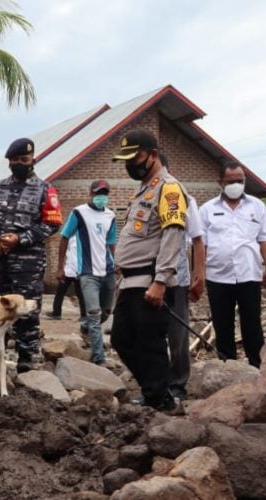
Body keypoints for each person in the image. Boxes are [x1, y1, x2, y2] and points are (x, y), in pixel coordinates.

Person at [110, 129, 188, 411]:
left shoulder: (169, 188)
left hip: (150, 280)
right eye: (126, 159)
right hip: (130, 281)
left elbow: (173, 234)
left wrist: (161, 280)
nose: (131, 164)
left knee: (150, 343)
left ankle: (160, 401)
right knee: (121, 338)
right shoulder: (144, 189)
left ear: (153, 154)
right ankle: (156, 391)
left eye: (136, 157)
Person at [0, 138, 62, 372]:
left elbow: (52, 223)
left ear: (33, 160)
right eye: (15, 161)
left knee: (26, 310)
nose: (20, 164)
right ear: (9, 162)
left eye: (24, 160)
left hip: (28, 263)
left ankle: (25, 357)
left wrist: (20, 238)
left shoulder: (45, 189)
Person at [200, 163, 266, 368]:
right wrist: (198, 275)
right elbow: (199, 246)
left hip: (249, 273)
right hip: (217, 276)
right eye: (231, 181)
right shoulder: (207, 210)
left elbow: (265, 239)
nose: (236, 185)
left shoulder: (257, 207)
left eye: (240, 181)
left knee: (252, 323)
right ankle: (228, 366)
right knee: (222, 324)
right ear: (221, 183)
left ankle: (257, 366)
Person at [56, 180, 117, 365]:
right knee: (94, 313)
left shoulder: (110, 216)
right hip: (87, 273)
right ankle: (99, 358)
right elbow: (64, 237)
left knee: (106, 312)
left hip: (107, 271)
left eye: (105, 193)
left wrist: (116, 263)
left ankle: (85, 327)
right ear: (90, 193)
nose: (101, 197)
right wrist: (61, 267)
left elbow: (111, 242)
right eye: (98, 193)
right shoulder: (79, 213)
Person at [162, 154, 205, 401]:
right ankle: (156, 384)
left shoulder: (184, 198)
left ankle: (177, 385)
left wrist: (200, 274)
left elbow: (197, 239)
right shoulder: (143, 198)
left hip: (177, 278)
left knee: (177, 334)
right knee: (150, 333)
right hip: (149, 277)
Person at [46, 236, 86, 321]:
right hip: (68, 270)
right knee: (60, 291)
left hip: (78, 271)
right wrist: (61, 269)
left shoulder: (83, 238)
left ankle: (84, 315)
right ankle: (56, 312)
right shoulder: (69, 238)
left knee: (80, 293)